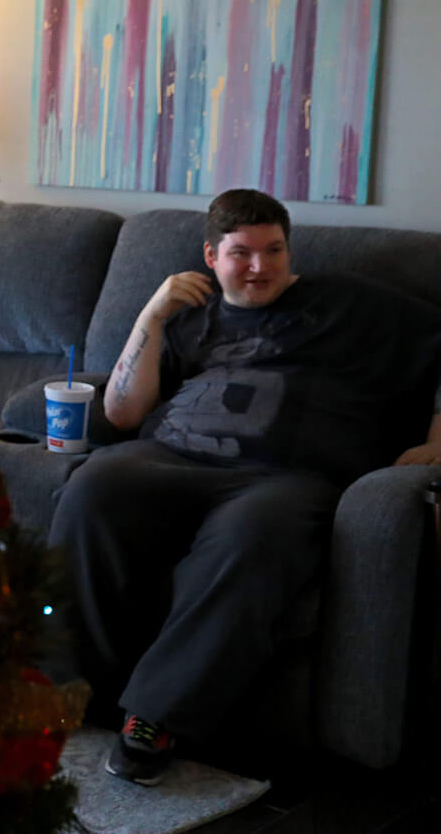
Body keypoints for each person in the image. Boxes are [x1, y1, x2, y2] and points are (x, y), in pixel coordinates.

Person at [48, 189, 441, 787]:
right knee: (92, 487)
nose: (261, 266)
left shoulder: (352, 305)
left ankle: (156, 717)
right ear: (211, 256)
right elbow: (122, 415)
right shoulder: (189, 317)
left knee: (254, 536)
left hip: (287, 477)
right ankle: (63, 687)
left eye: (274, 250)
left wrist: (438, 438)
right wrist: (150, 316)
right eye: (242, 253)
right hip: (169, 456)